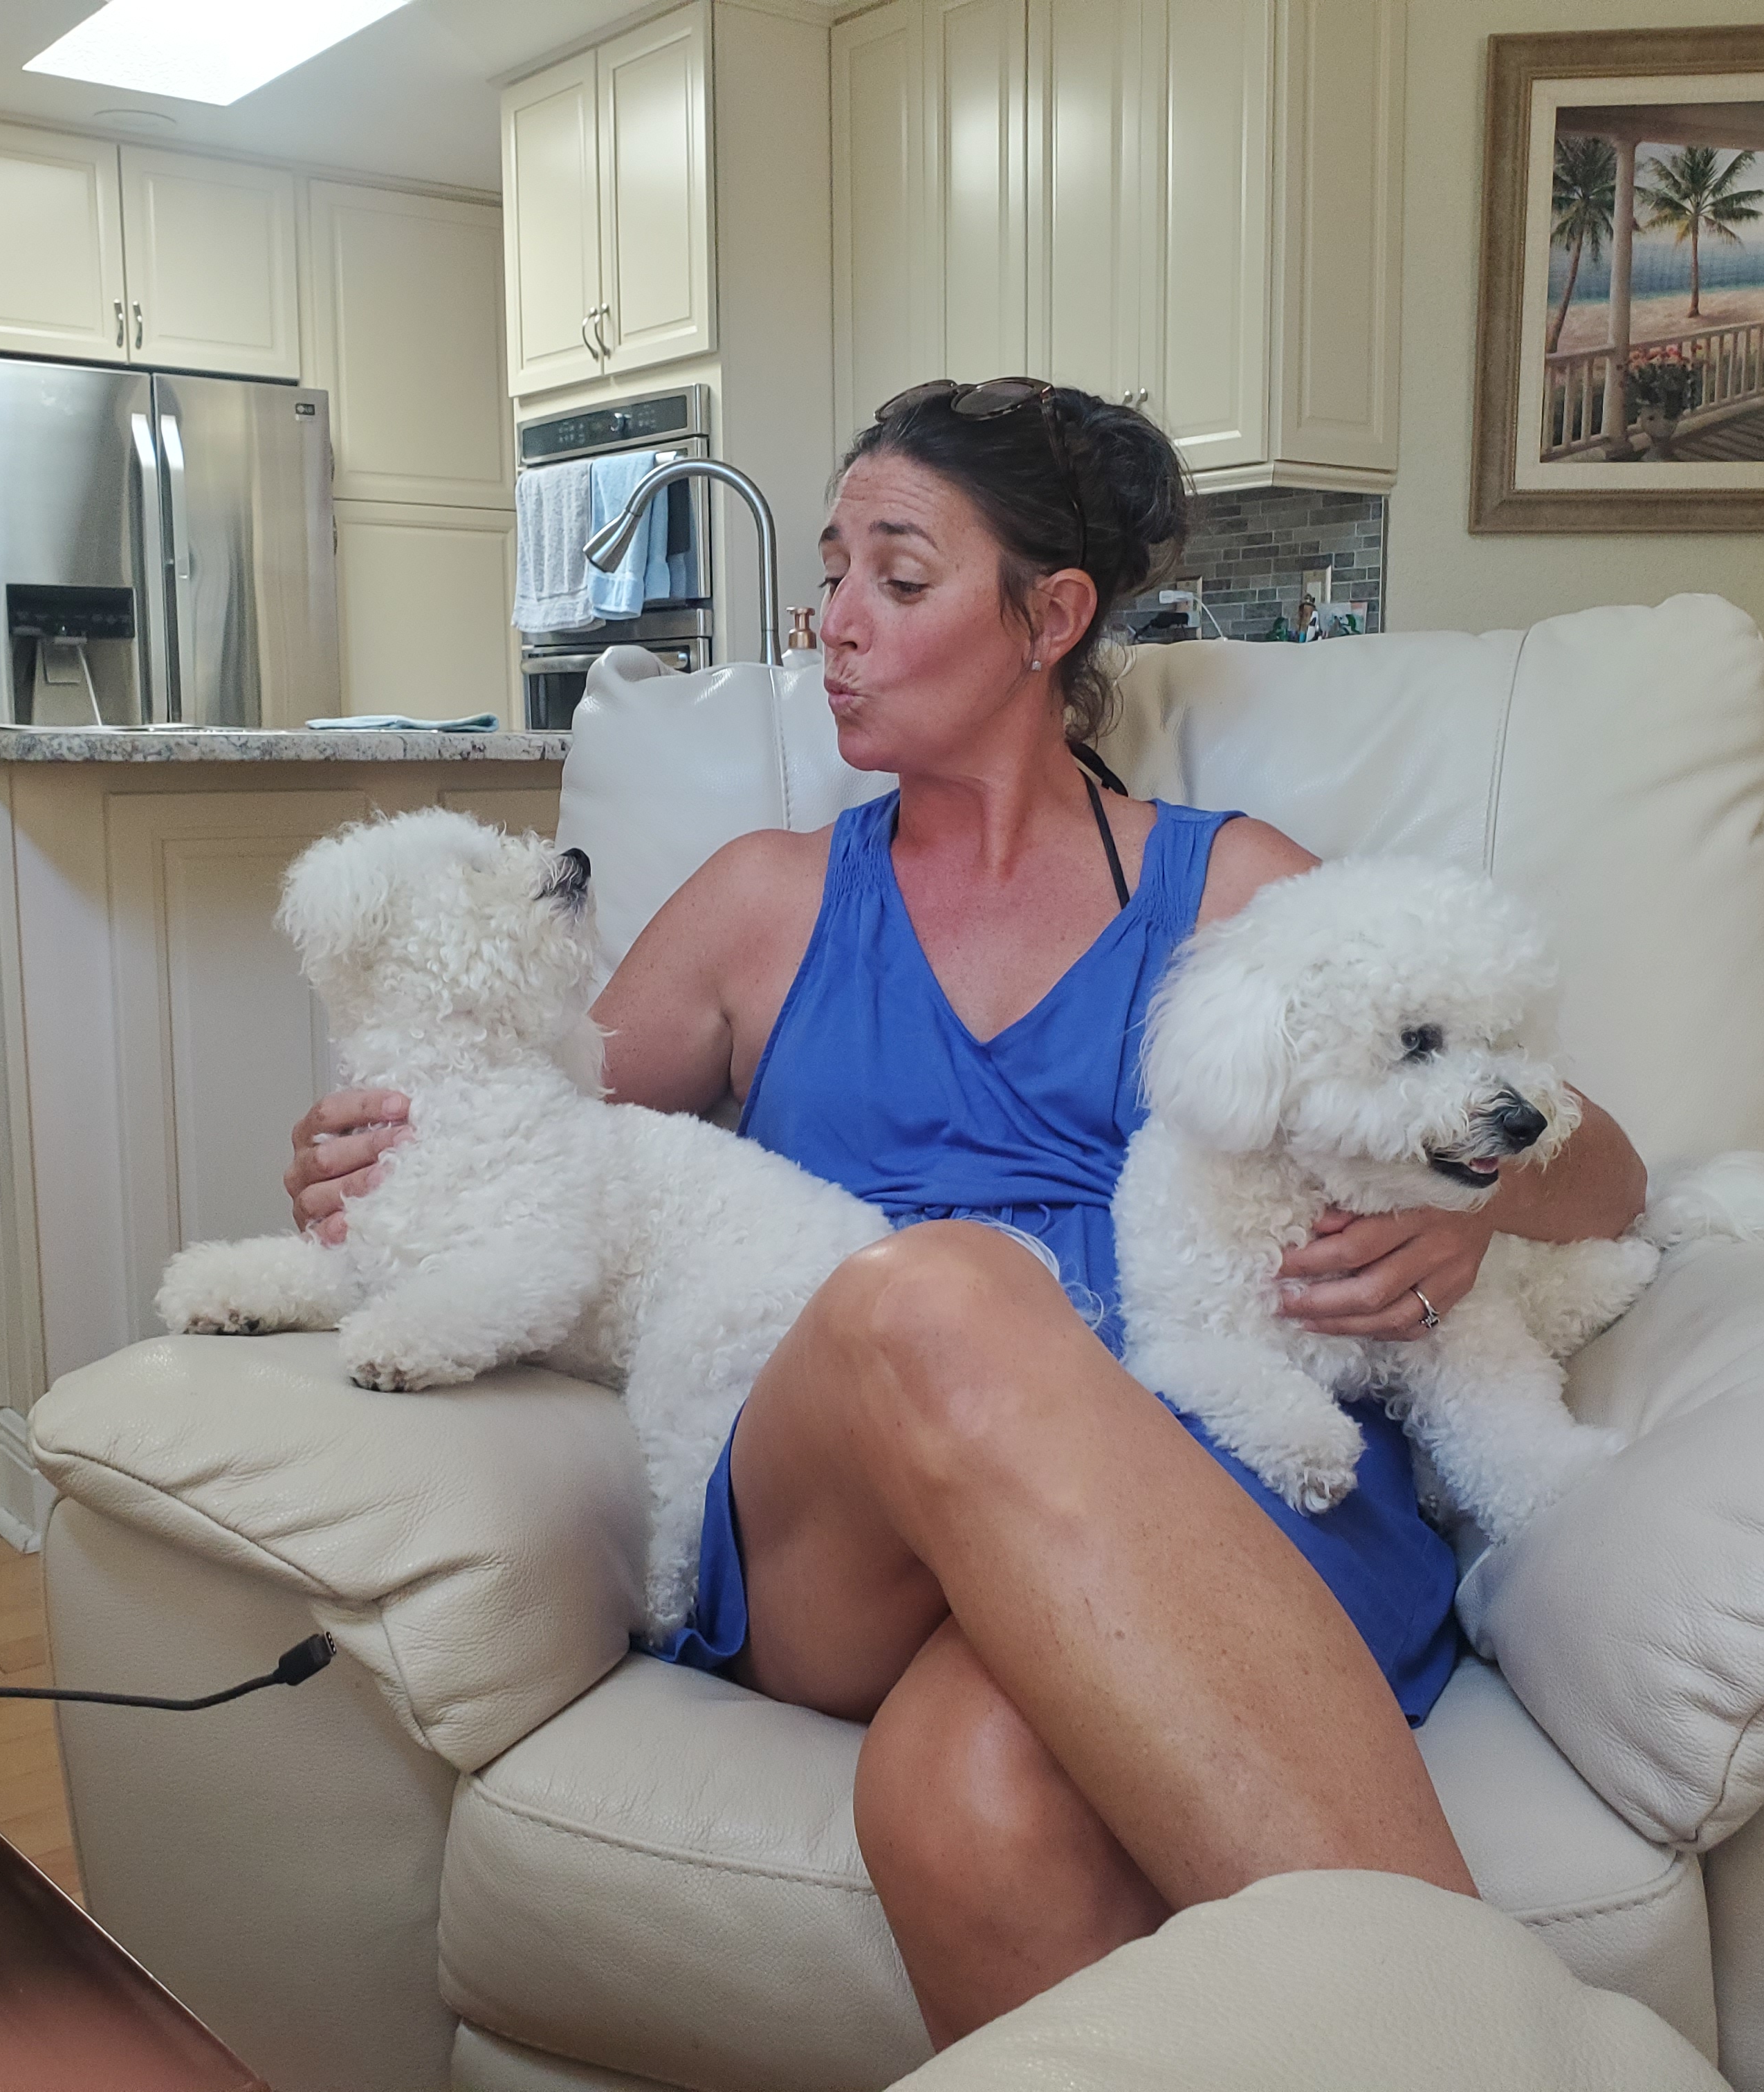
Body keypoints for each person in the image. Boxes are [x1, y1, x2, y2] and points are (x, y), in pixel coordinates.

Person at [285, 381, 1648, 2047]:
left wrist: (1478, 1215)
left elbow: (1607, 1168)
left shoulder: (1234, 888)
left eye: (898, 578)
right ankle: (1512, 2064)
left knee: (973, 1792)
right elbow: (526, 1134)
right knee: (940, 1294)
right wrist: (369, 1166)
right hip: (845, 1503)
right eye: (831, 579)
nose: (836, 627)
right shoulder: (763, 904)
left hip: (1230, 1461)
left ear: (1048, 617)